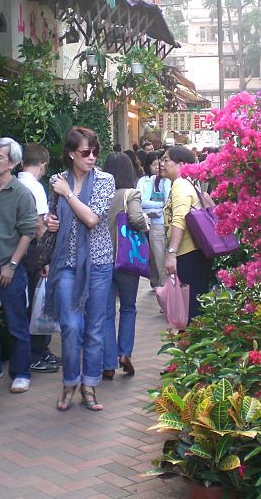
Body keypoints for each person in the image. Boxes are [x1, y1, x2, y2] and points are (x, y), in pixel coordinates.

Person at [44, 127, 114, 412]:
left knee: (95, 329)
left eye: (95, 151)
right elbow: (52, 217)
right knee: (71, 326)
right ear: (72, 153)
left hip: (98, 261)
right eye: (85, 152)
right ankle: (70, 381)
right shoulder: (57, 181)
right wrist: (50, 223)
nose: (92, 157)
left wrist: (69, 195)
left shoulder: (105, 181)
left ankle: (89, 385)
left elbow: (92, 219)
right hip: (66, 263)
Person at [0, 138, 37, 394]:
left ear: (12, 163)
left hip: (10, 267)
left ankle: (21, 372)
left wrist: (12, 265)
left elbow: (28, 231)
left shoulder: (21, 193)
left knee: (16, 322)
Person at [101, 153, 148, 380]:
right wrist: (146, 223)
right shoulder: (131, 194)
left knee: (107, 312)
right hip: (126, 260)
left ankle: (108, 361)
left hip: (102, 260)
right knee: (128, 308)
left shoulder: (100, 194)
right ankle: (124, 353)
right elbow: (138, 219)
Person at [17, 143, 60, 374]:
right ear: (42, 165)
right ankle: (36, 353)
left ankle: (41, 351)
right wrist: (45, 259)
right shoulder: (34, 187)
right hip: (33, 253)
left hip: (17, 254)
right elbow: (40, 225)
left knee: (30, 303)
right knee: (37, 304)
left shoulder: (14, 184)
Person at [163, 146, 212, 320]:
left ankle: (191, 344)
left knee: (192, 310)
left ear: (181, 164)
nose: (162, 164)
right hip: (194, 254)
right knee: (194, 307)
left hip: (189, 254)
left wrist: (171, 253)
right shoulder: (186, 183)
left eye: (166, 160)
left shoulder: (180, 184)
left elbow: (179, 219)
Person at [137, 151, 171, 288]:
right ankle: (166, 298)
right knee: (160, 264)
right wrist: (161, 204)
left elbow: (169, 201)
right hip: (156, 226)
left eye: (163, 161)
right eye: (156, 164)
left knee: (170, 265)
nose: (160, 166)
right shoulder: (152, 180)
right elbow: (143, 202)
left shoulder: (170, 181)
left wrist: (160, 204)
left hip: (171, 227)